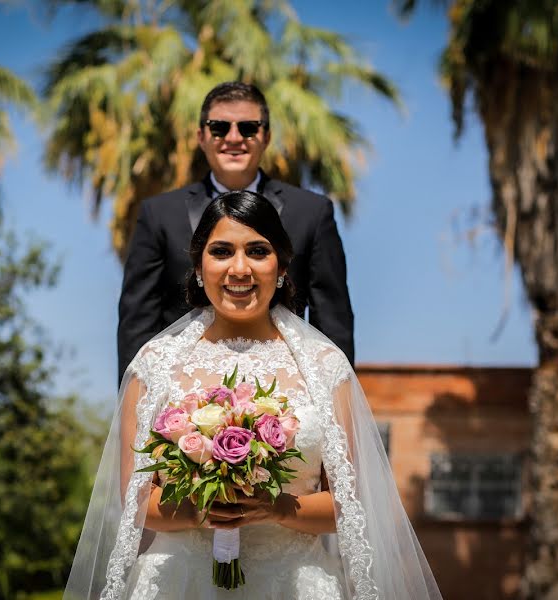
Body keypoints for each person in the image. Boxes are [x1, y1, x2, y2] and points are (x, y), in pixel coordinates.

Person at [67, 191, 441, 599]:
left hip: (292, 582)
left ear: (281, 266)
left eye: (258, 251)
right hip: (180, 582)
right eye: (222, 251)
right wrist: (201, 508)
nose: (239, 269)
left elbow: (348, 506)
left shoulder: (325, 367)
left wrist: (277, 507)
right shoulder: (154, 365)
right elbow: (136, 503)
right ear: (198, 266)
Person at [117, 81, 354, 381]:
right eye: (219, 127)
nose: (233, 138)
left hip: (287, 385)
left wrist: (334, 397)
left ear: (266, 136)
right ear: (201, 136)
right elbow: (137, 321)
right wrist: (137, 405)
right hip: (184, 388)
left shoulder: (312, 211)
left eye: (248, 128)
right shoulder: (159, 213)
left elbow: (333, 319)